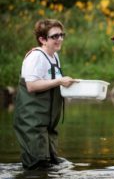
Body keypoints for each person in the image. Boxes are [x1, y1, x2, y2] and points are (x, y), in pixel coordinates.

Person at [13, 19, 77, 170]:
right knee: (36, 168)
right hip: (32, 123)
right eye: (55, 36)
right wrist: (60, 81)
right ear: (42, 39)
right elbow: (31, 86)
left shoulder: (54, 56)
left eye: (62, 35)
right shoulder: (36, 57)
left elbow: (52, 85)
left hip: (47, 125)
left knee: (51, 166)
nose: (60, 39)